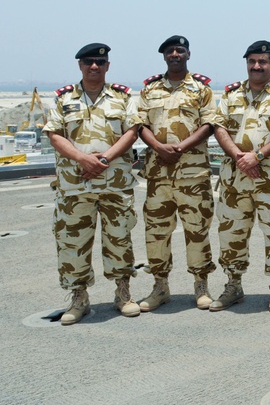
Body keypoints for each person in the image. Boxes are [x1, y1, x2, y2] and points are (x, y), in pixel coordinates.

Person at [43, 43, 142, 325]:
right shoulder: (63, 99)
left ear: (107, 65)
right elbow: (55, 135)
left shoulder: (122, 98)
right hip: (74, 186)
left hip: (115, 185)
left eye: (100, 62)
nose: (94, 66)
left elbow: (132, 131)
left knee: (119, 240)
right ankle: (79, 298)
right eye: (88, 62)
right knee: (72, 243)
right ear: (80, 65)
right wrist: (83, 159)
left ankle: (123, 294)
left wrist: (105, 159)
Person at [211, 40, 270, 313]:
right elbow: (219, 127)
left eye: (262, 61)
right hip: (235, 179)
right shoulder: (230, 94)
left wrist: (257, 156)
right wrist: (240, 157)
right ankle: (233, 285)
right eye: (252, 61)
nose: (257, 66)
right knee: (231, 233)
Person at [136, 35, 217, 312]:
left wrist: (180, 147)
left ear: (188, 55)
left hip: (193, 174)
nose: (175, 54)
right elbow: (140, 123)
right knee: (156, 232)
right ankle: (160, 286)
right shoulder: (150, 89)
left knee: (198, 230)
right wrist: (158, 147)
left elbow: (210, 123)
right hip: (158, 176)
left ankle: (201, 285)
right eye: (170, 51)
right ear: (164, 56)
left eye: (179, 50)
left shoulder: (202, 88)